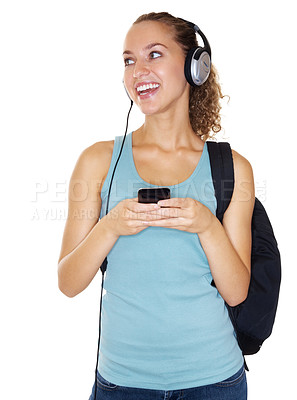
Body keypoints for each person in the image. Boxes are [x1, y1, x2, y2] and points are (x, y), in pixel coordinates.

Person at [58, 11, 255, 400]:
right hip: (122, 381)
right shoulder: (98, 161)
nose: (137, 71)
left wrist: (206, 225)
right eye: (129, 60)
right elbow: (67, 282)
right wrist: (110, 225)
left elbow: (236, 292)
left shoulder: (233, 168)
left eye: (154, 54)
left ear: (194, 66)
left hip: (214, 380)